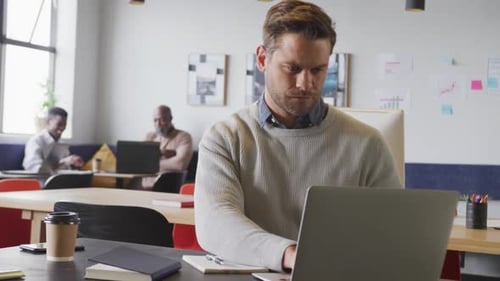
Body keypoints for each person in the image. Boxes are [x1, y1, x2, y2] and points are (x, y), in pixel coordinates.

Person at [194, 0, 402, 273]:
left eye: (318, 70)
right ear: (262, 59)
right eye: (292, 69)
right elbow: (217, 224)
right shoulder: (225, 138)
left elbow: (395, 233)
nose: (306, 84)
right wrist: (291, 255)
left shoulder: (368, 143)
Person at [141, 105, 193, 188]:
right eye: (155, 120)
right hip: (143, 184)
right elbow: (139, 162)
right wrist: (167, 158)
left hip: (166, 186)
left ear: (170, 118)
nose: (158, 124)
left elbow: (180, 164)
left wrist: (151, 163)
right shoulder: (150, 136)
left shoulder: (183, 137)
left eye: (162, 119)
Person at [23, 107, 83, 174]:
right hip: (41, 182)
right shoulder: (35, 141)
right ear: (48, 122)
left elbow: (66, 169)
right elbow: (35, 168)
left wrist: (72, 162)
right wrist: (63, 162)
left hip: (61, 181)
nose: (62, 128)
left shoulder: (62, 145)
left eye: (64, 125)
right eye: (59, 124)